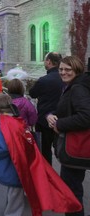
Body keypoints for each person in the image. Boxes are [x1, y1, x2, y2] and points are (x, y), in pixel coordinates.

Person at [0, 93, 82, 216]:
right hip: (19, 176)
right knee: (15, 208)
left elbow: (3, 147)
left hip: (3, 175)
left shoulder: (0, 122)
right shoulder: (20, 122)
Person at [46, 56, 90, 216]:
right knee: (73, 190)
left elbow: (86, 116)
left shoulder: (78, 88)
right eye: (61, 69)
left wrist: (59, 124)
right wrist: (52, 115)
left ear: (77, 70)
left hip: (74, 151)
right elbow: (68, 110)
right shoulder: (73, 86)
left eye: (68, 70)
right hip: (73, 151)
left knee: (71, 195)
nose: (63, 72)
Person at [29, 52, 64, 165]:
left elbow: (32, 93)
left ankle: (46, 174)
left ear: (49, 61)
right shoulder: (65, 79)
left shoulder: (44, 80)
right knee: (61, 148)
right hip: (62, 118)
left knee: (45, 150)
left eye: (45, 60)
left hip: (45, 120)